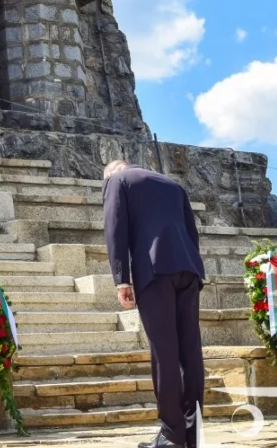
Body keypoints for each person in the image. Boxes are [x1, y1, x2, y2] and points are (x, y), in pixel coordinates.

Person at [102, 160, 206, 448]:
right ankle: (192, 433)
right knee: (190, 353)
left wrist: (122, 280)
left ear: (112, 172)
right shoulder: (172, 184)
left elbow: (115, 228)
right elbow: (191, 232)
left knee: (164, 353)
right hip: (188, 268)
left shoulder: (117, 181)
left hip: (155, 270)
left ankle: (172, 435)